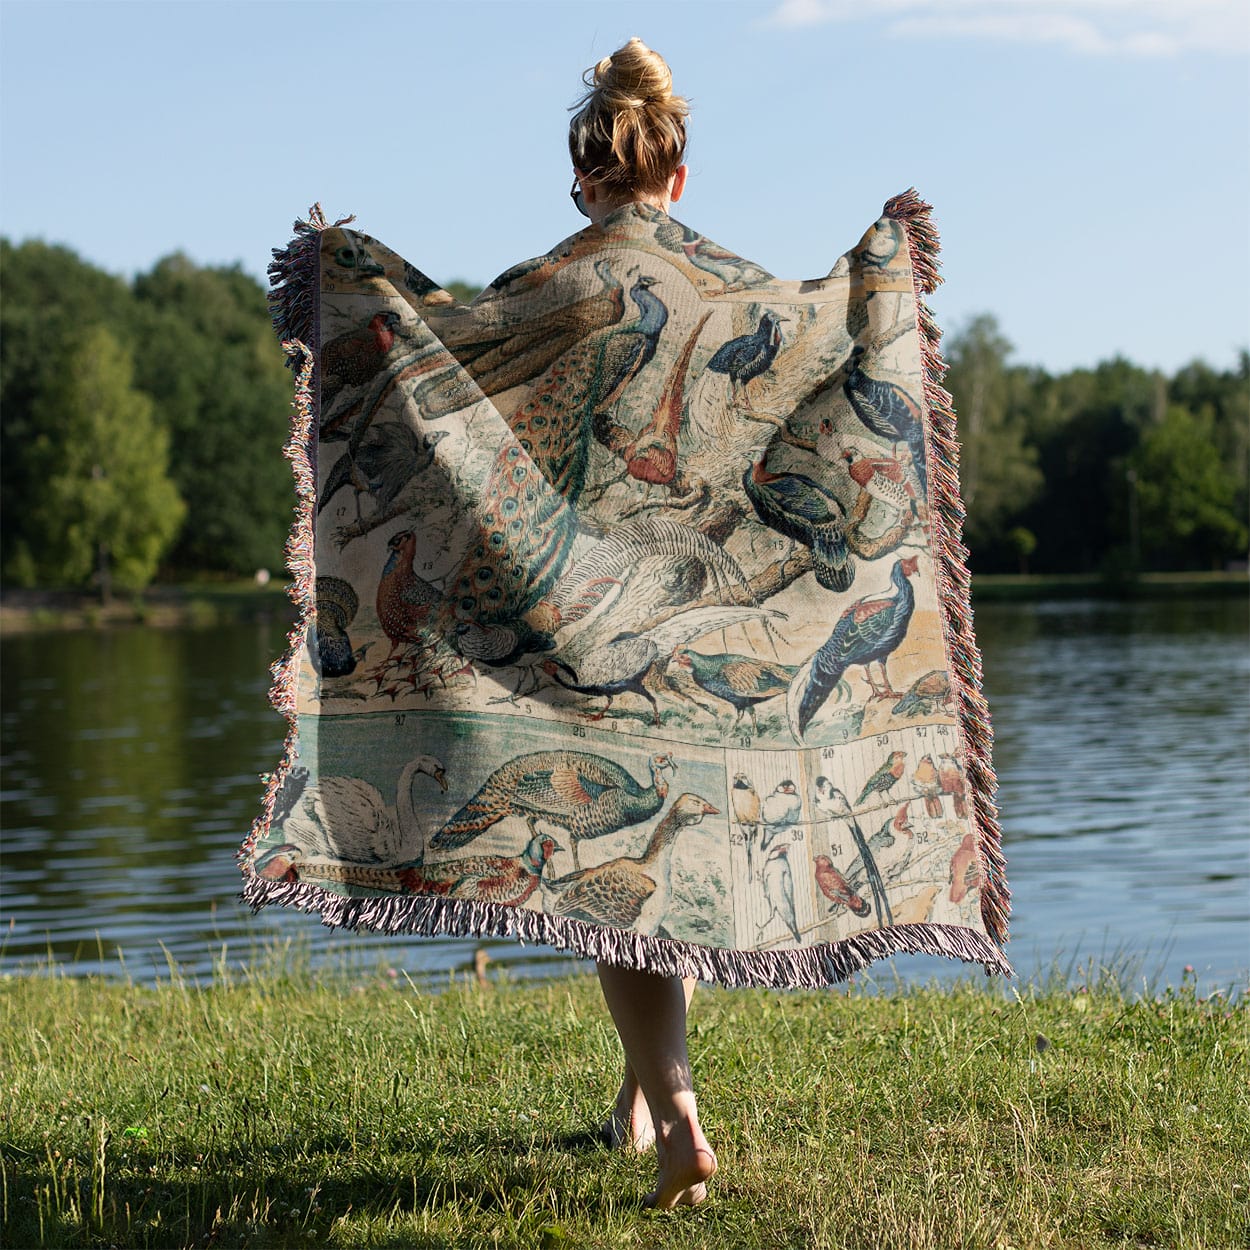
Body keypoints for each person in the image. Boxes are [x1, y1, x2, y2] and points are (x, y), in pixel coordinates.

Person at [564, 37, 716, 1212]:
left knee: (611, 885)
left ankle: (677, 1120)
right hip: (705, 620)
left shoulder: (548, 285)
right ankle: (633, 1101)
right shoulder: (727, 291)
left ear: (583, 181)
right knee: (666, 864)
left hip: (588, 623)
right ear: (676, 173)